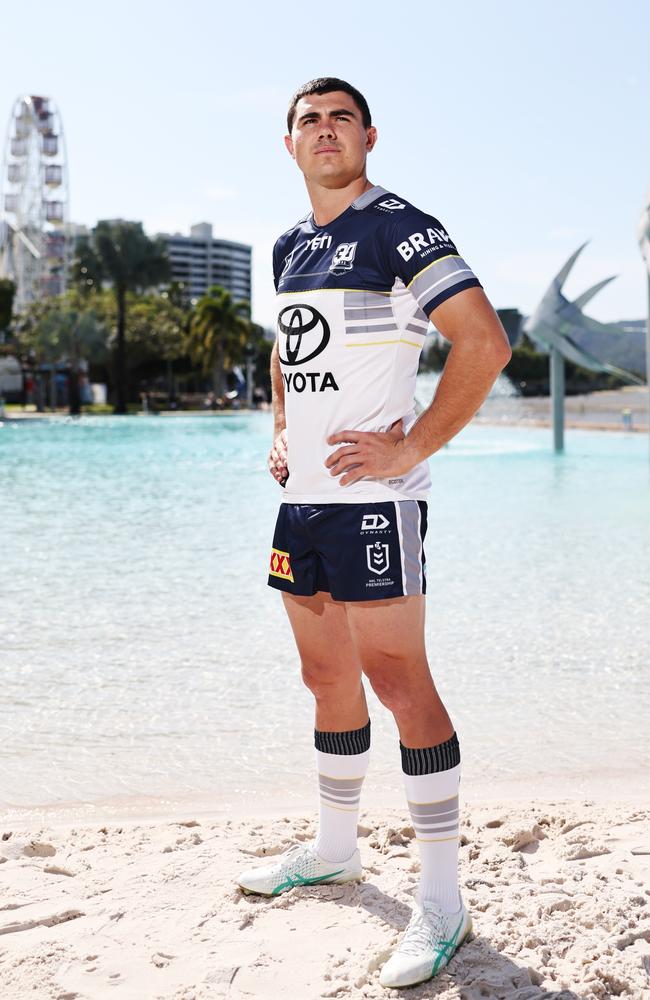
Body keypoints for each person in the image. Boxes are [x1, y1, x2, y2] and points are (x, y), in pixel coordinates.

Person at [237, 77, 512, 989]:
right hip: (302, 504)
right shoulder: (289, 245)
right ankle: (334, 848)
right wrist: (282, 430)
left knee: (398, 681)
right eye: (309, 121)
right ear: (290, 145)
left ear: (368, 137)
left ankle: (442, 898)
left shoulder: (399, 225)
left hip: (374, 506)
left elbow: (484, 343)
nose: (324, 131)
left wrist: (412, 449)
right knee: (323, 679)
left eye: (340, 119)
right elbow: (289, 348)